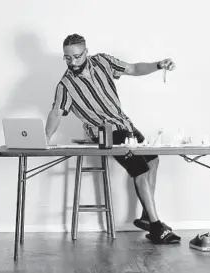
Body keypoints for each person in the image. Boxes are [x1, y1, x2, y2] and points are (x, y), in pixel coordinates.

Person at [45, 34, 181, 244]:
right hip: (106, 132)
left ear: (86, 52)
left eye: (77, 56)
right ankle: (156, 227)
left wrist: (158, 65)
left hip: (125, 125)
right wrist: (44, 138)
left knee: (153, 160)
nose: (72, 62)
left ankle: (146, 216)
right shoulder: (65, 85)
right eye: (67, 58)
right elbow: (56, 112)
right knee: (140, 169)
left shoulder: (103, 62)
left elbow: (134, 69)